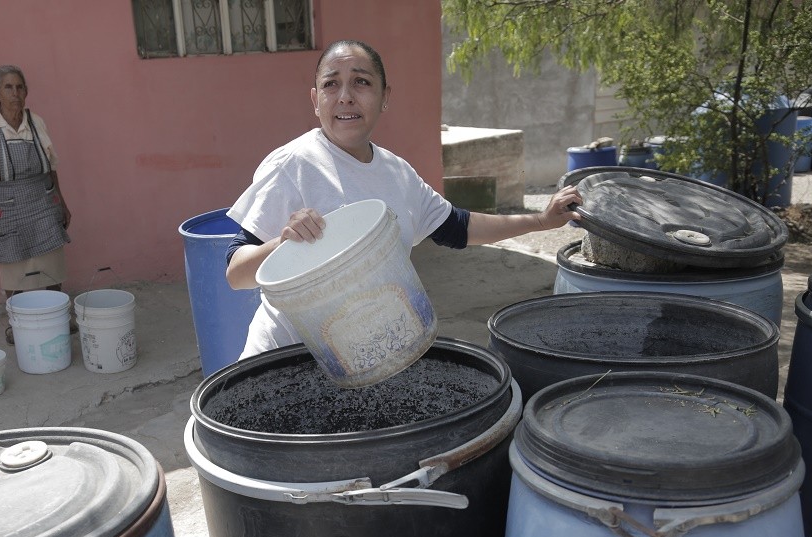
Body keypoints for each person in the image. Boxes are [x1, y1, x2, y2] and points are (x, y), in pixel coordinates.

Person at [225, 39, 583, 359]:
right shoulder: (293, 164)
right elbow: (236, 274)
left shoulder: (397, 173)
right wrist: (282, 243)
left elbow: (458, 227)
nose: (345, 96)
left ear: (385, 97)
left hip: (367, 359)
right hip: (286, 362)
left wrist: (541, 220)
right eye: (330, 84)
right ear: (315, 100)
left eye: (361, 82)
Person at [0, 65, 72, 343]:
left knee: (51, 258)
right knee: (13, 263)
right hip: (5, 204)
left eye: (20, 87)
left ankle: (58, 317)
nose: (16, 93)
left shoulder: (35, 121)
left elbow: (50, 166)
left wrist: (61, 202)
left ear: (27, 92)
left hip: (41, 197)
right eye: (8, 87)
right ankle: (17, 324)